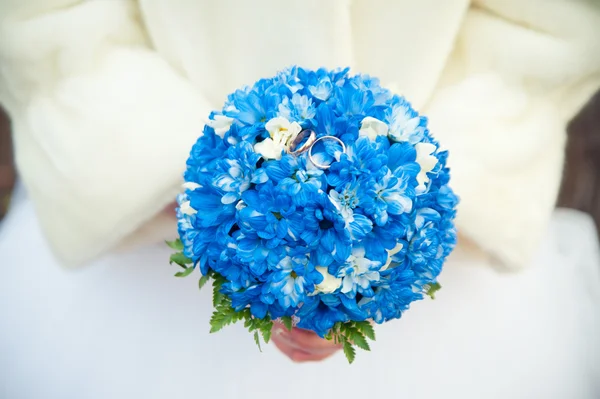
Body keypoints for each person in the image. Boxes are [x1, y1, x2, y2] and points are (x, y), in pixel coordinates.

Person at [0, 1, 599, 398]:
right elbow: (46, 18)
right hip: (155, 242)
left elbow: (547, 26)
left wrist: (406, 212)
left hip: (429, 244)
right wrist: (172, 166)